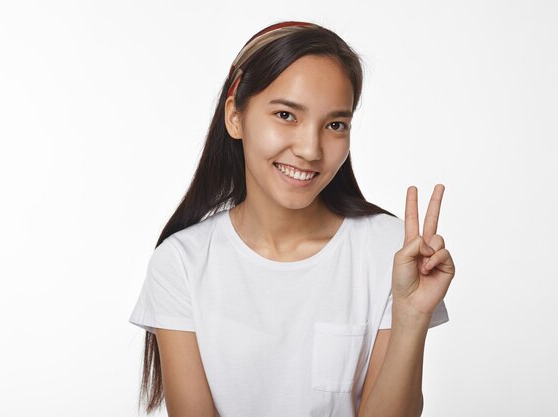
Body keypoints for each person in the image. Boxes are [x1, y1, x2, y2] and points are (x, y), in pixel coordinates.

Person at [128, 20, 456, 417]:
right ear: (235, 116)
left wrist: (412, 317)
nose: (310, 149)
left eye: (335, 125)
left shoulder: (390, 253)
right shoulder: (182, 263)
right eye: (286, 115)